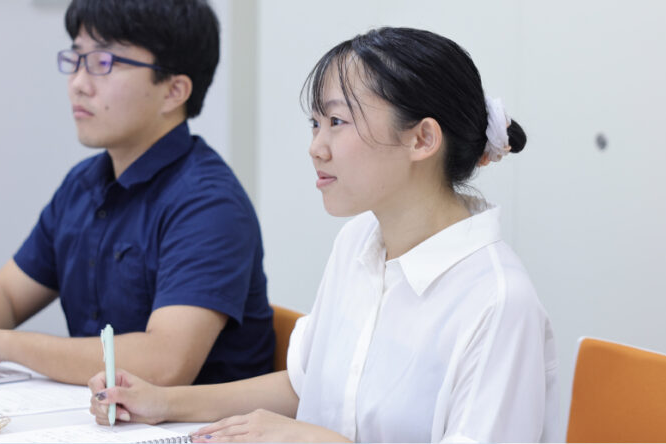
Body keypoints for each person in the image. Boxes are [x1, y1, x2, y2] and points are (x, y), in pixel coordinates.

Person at [87, 27, 561, 442]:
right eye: (316, 123)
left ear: (421, 139)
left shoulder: (498, 302)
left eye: (337, 122)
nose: (316, 147)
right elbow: (303, 385)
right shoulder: (358, 242)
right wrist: (162, 402)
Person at [0, 0, 275, 387]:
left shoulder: (209, 205)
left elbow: (164, 364)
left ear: (173, 91)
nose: (78, 82)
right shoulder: (84, 183)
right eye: (77, 59)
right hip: (96, 416)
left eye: (103, 62)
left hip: (195, 424)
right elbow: (7, 295)